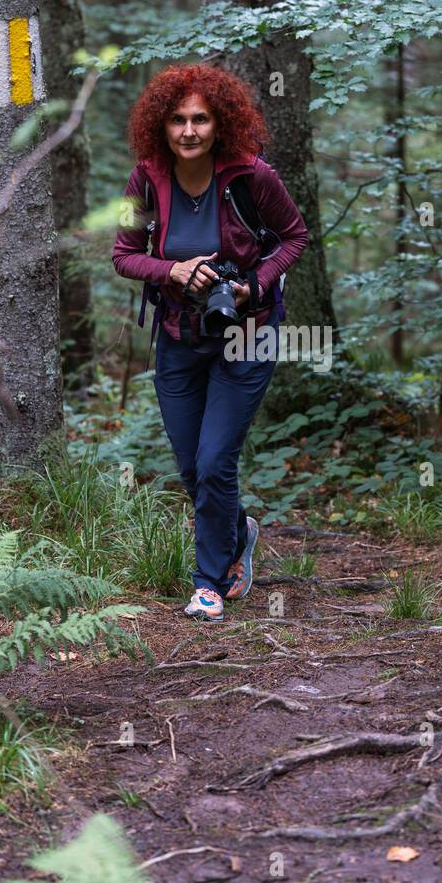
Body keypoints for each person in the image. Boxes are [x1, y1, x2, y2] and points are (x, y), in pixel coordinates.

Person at [112, 63, 309, 621]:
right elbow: (124, 255)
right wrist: (172, 273)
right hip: (178, 336)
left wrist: (254, 284)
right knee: (192, 467)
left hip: (247, 332)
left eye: (200, 119)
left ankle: (209, 582)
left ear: (220, 123)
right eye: (178, 120)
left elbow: (294, 237)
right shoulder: (144, 180)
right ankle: (238, 532)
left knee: (216, 459)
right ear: (162, 125)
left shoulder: (252, 177)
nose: (189, 131)